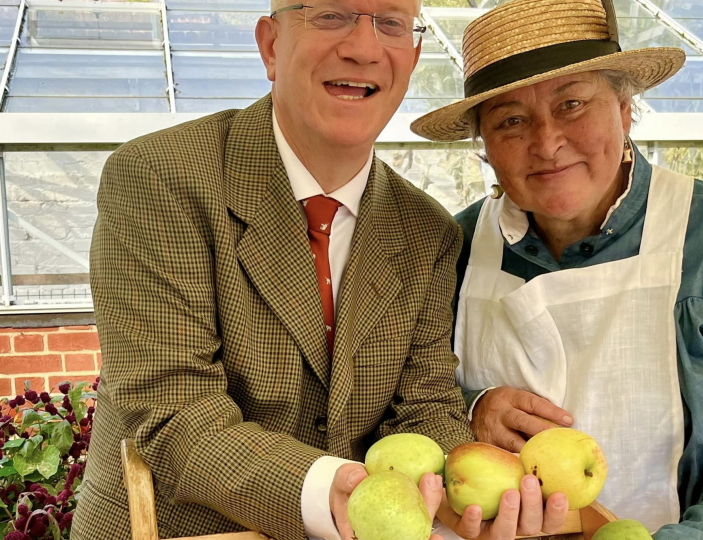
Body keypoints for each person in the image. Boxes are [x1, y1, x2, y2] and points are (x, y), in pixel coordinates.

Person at [72, 0, 572, 537]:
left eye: (391, 23)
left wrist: (476, 494)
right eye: (331, 15)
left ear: (413, 54)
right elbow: (173, 413)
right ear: (270, 45)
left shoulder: (428, 231)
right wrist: (330, 491)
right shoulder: (159, 180)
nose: (363, 48)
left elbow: (423, 404)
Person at [411, 0, 703, 538]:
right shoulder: (455, 248)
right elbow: (404, 405)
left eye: (572, 104)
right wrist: (472, 414)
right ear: (484, 146)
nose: (546, 142)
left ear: (625, 107)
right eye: (511, 120)